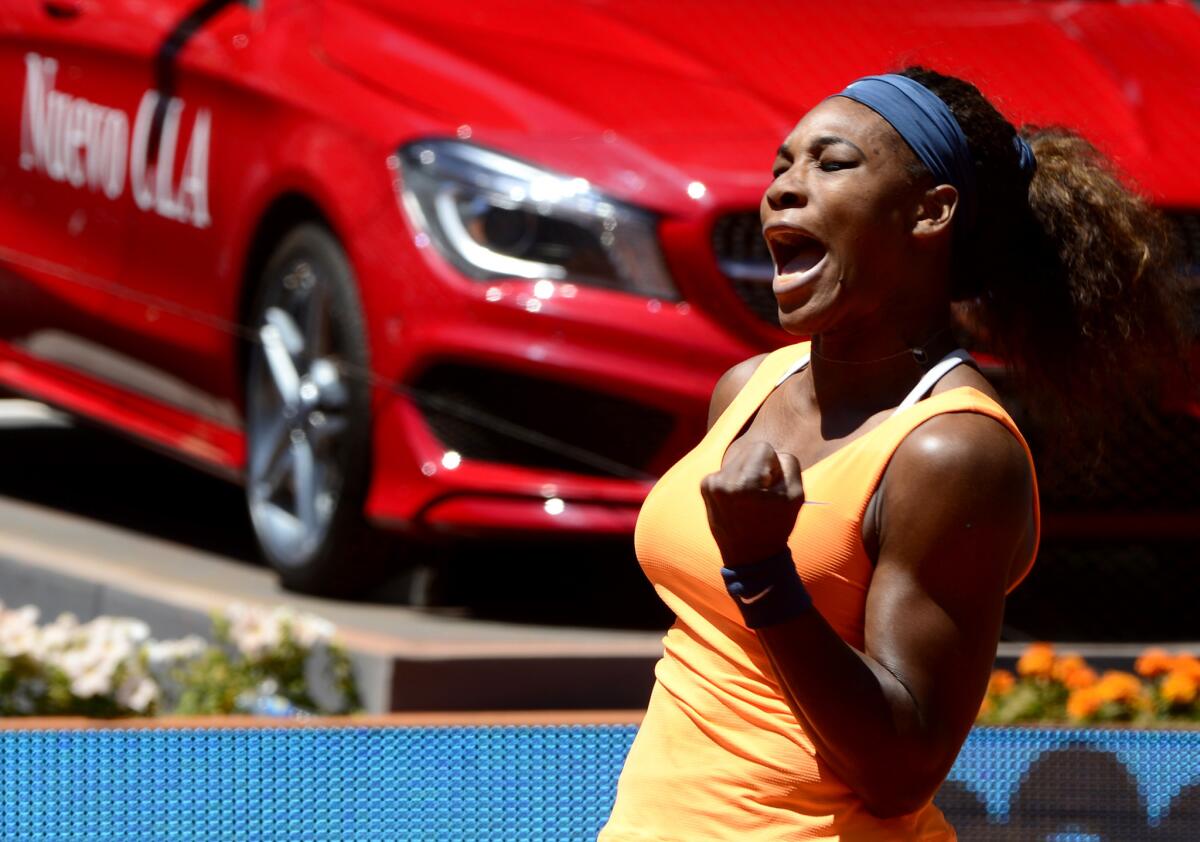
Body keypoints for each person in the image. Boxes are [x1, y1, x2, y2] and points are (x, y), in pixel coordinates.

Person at [598, 68, 1187, 840]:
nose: (784, 187)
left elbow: (901, 771)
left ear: (930, 213)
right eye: (783, 165)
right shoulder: (749, 385)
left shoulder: (954, 452)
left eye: (831, 163)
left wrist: (762, 572)